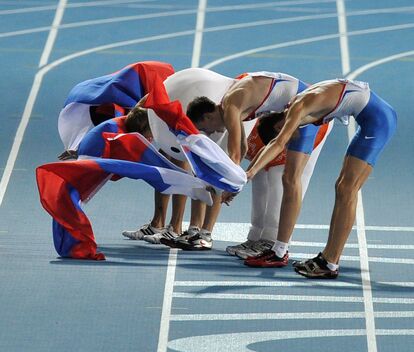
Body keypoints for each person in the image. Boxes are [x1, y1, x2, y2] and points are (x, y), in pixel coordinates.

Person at [246, 78, 397, 278]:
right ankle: (326, 258)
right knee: (341, 187)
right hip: (371, 116)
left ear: (278, 127)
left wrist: (249, 173)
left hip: (378, 121)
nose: (291, 140)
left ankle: (331, 263)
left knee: (347, 189)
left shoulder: (298, 109)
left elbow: (278, 142)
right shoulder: (296, 107)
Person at [181, 71, 325, 260]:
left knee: (283, 179)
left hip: (310, 115)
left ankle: (272, 241)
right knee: (259, 176)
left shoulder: (231, 106)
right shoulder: (230, 105)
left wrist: (231, 185)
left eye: (203, 128)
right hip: (296, 111)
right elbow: (242, 146)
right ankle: (257, 237)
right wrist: (236, 182)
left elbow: (233, 153)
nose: (208, 132)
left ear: (208, 117)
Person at [121, 68, 248, 248]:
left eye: (147, 137)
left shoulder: (229, 110)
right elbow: (148, 99)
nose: (149, 141)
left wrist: (233, 183)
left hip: (213, 117)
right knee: (169, 161)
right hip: (195, 109)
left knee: (207, 173)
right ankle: (172, 225)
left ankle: (192, 230)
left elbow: (241, 148)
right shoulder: (158, 109)